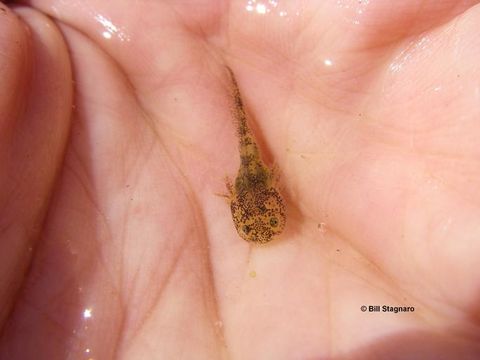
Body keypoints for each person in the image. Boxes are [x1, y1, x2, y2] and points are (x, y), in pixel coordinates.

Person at [0, 0, 479, 358]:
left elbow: (248, 206)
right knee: (243, 129)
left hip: (251, 179)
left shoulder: (256, 202)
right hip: (251, 180)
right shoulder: (258, 203)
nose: (266, 225)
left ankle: (233, 90)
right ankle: (232, 89)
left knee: (243, 130)